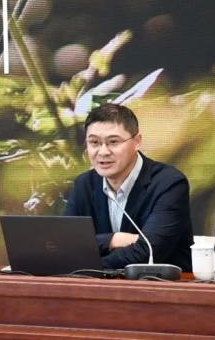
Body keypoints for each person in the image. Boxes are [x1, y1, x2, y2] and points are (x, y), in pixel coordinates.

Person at [64, 103, 192, 271]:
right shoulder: (84, 184)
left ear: (137, 142)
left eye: (113, 142)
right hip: (95, 284)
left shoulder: (169, 183)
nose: (103, 152)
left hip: (161, 284)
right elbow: (66, 245)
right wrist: (113, 239)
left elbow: (148, 251)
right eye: (94, 142)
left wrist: (91, 264)